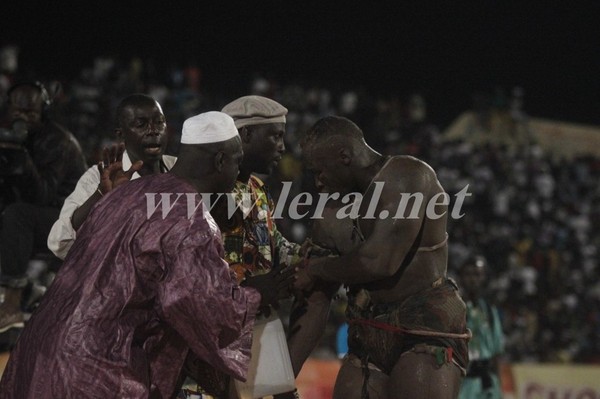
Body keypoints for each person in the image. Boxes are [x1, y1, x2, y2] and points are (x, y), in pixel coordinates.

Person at [0, 111, 293, 398]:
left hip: (36, 352)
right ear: (220, 161)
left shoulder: (126, 193)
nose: (237, 174)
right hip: (98, 371)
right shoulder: (192, 218)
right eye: (237, 162)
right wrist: (254, 295)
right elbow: (194, 304)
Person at [295, 116, 471, 399]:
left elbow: (378, 262)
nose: (318, 183)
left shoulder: (407, 175)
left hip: (423, 328)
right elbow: (316, 300)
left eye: (320, 171)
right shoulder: (330, 213)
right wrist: (281, 380)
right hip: (367, 331)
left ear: (344, 156)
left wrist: (316, 268)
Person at [180, 95, 307, 399]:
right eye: (275, 135)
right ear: (246, 135)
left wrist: (312, 257)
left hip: (260, 326)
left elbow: (272, 246)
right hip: (212, 333)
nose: (283, 146)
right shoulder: (202, 191)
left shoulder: (258, 190)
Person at [0, 81, 87, 332]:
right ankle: (28, 290)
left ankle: (13, 305)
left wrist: (22, 159)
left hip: (70, 220)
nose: (23, 119)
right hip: (37, 218)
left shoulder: (59, 141)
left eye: (31, 113)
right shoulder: (13, 139)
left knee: (17, 215)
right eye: (17, 112)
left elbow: (43, 195)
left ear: (44, 112)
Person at [47, 93, 177, 260]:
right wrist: (102, 194)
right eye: (141, 124)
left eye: (159, 122)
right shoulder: (98, 177)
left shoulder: (180, 169)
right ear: (121, 135)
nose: (153, 131)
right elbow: (59, 243)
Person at [458, 255, 504, 399]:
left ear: (485, 278)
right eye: (468, 274)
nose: (473, 279)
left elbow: (496, 353)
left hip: (487, 383)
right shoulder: (454, 309)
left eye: (477, 274)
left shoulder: (490, 311)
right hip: (463, 382)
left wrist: (499, 388)